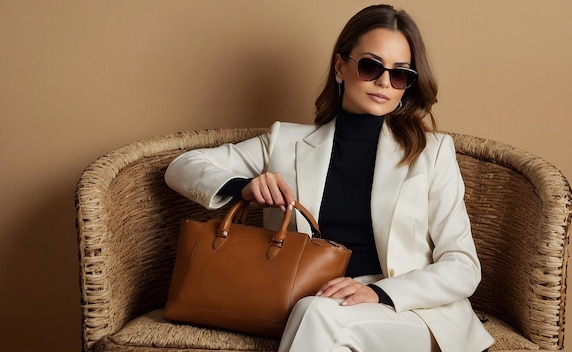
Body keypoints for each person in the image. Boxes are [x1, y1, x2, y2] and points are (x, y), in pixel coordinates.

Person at [165, 4, 495, 352]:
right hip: (314, 304)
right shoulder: (285, 142)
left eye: (400, 74)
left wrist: (380, 292)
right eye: (370, 66)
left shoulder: (431, 151)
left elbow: (462, 266)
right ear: (341, 66)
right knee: (317, 313)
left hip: (411, 314)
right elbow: (182, 166)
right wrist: (242, 186)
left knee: (317, 314)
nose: (384, 81)